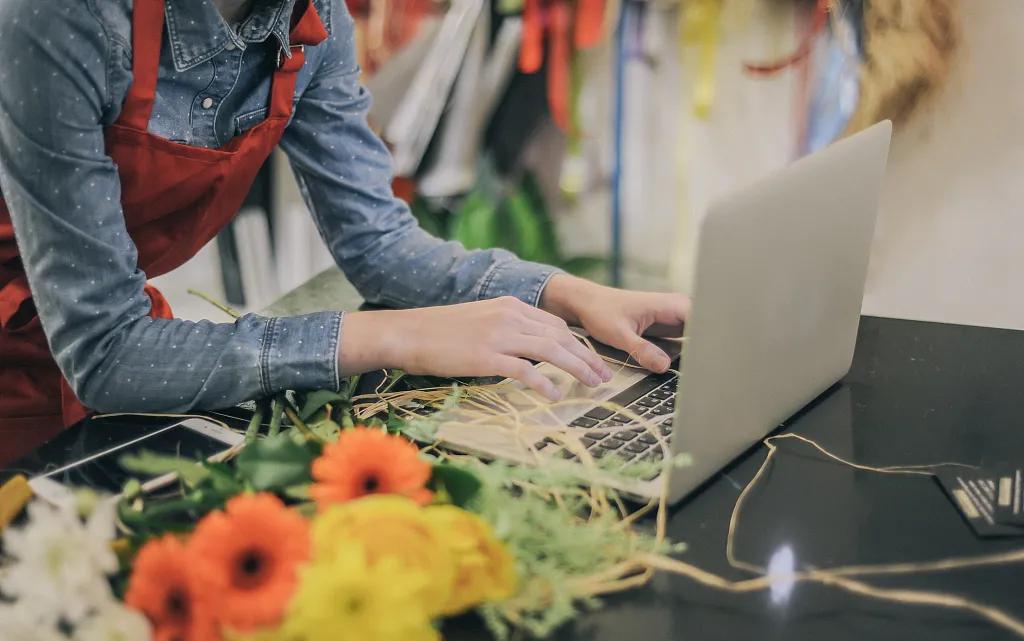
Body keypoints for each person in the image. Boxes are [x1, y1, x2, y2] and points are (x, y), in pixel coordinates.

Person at [0, 0, 689, 463]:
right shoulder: (59, 20)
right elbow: (109, 352)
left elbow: (381, 245)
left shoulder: (313, 19)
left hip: (98, 332)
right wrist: (392, 335)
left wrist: (564, 293)